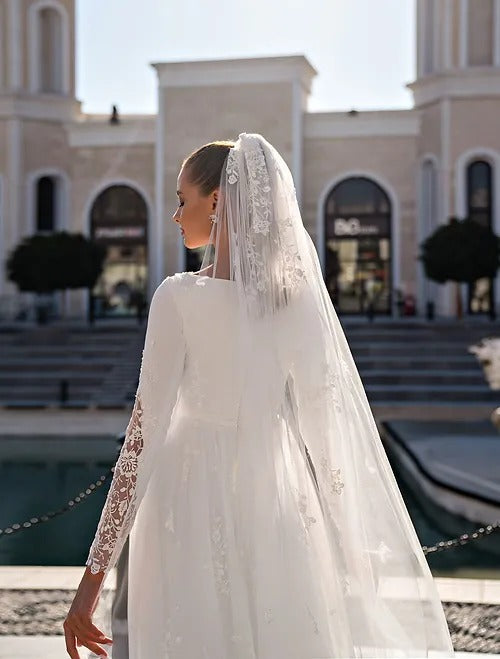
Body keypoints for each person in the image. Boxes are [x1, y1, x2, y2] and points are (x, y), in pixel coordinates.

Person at [64, 133, 455, 658]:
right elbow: (328, 438)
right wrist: (351, 552)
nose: (177, 215)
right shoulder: (295, 304)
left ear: (219, 201)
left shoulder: (179, 297)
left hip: (185, 500)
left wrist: (91, 583)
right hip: (280, 498)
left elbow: (140, 439)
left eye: (184, 200)